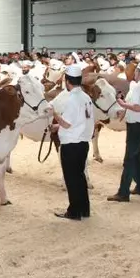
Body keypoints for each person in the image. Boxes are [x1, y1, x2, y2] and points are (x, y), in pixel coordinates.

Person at [107, 62, 140, 202]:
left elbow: (138, 107)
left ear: (138, 72)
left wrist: (123, 104)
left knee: (130, 158)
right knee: (136, 156)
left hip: (136, 125)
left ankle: (123, 192)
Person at [52, 64, 94, 220]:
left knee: (71, 179)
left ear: (67, 81)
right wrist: (58, 126)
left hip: (71, 144)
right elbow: (81, 120)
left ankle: (74, 211)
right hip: (83, 142)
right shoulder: (86, 97)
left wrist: (55, 114)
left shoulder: (71, 99)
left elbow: (67, 123)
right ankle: (84, 209)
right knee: (80, 177)